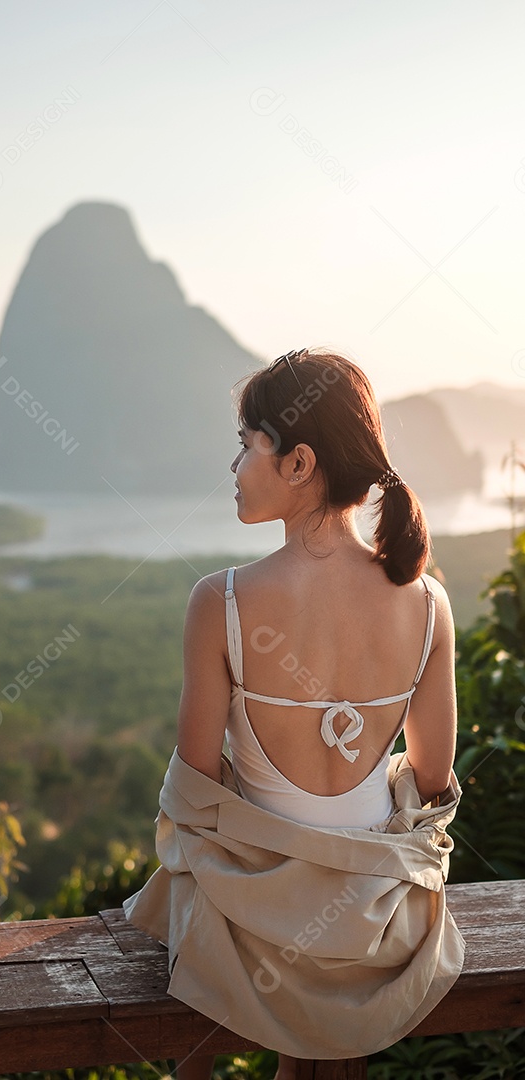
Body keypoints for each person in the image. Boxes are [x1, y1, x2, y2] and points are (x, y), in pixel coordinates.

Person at [123, 348, 463, 1079]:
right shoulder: (428, 602)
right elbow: (434, 775)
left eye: (247, 448)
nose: (236, 468)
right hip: (376, 927)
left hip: (253, 919)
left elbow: (195, 787)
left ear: (300, 463)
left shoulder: (222, 601)